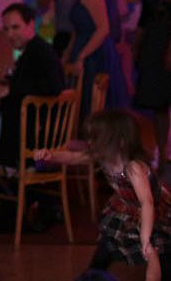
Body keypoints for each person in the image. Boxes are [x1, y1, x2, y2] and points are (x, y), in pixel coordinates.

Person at [36, 110, 171, 281]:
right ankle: (93, 274)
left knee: (154, 250)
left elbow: (147, 202)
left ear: (120, 142)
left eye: (97, 139)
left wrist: (145, 236)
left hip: (151, 212)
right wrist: (52, 156)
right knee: (109, 242)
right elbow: (73, 157)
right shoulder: (102, 156)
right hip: (128, 208)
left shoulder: (134, 168)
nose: (91, 143)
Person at [0, 3, 64, 189]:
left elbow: (52, 87)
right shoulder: (30, 52)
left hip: (29, 147)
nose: (10, 34)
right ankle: (4, 196)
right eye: (6, 29)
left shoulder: (41, 52)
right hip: (25, 142)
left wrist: (7, 90)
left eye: (15, 27)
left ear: (30, 25)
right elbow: (25, 94)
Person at [63, 0, 130, 122]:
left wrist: (82, 56)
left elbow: (103, 29)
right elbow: (81, 28)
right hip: (90, 50)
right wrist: (69, 52)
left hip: (93, 55)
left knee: (91, 106)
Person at [134, 0, 171, 168]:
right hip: (153, 37)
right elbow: (145, 14)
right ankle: (161, 151)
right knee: (158, 100)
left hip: (168, 35)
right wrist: (137, 43)